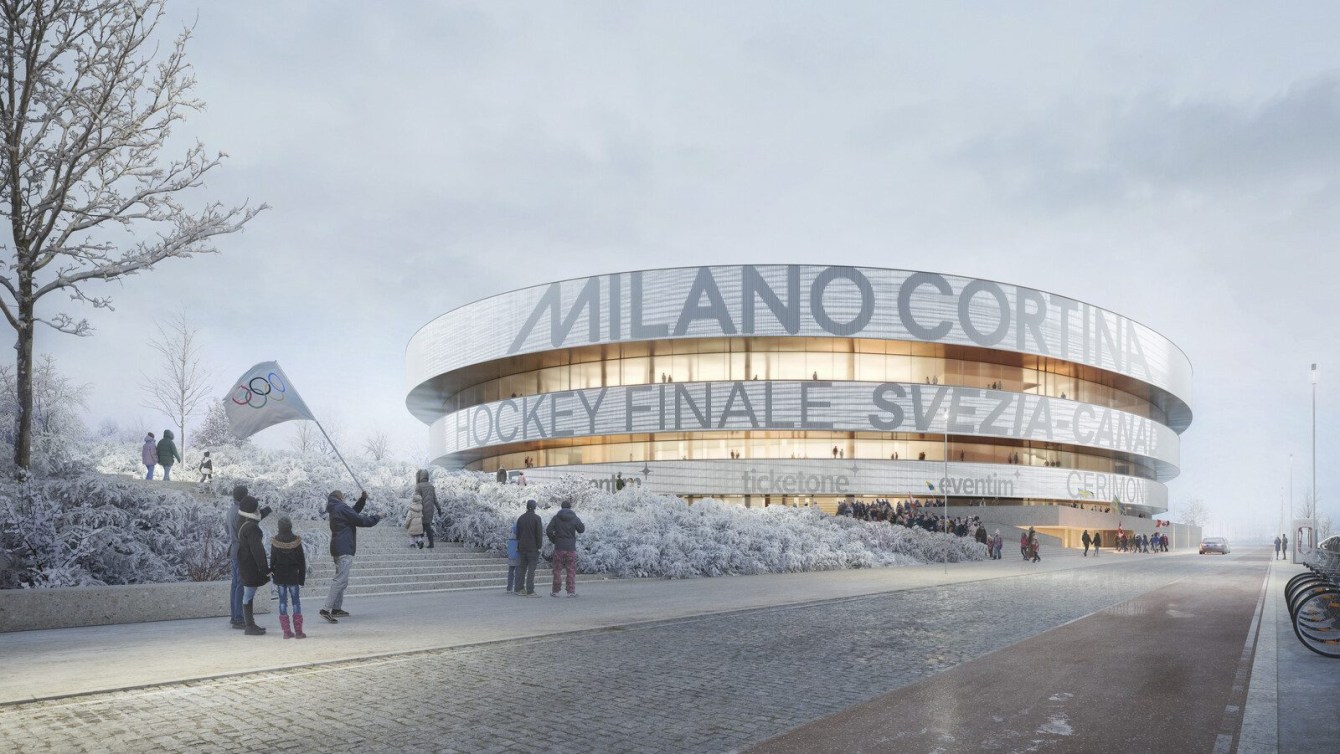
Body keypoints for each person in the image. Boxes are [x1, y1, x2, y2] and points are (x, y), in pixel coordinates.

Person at [319, 490, 381, 623]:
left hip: (337, 547)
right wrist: (378, 516)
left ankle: (336, 609)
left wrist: (362, 500)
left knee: (342, 580)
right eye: (344, 496)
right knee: (340, 580)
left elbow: (352, 513)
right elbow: (362, 520)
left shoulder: (336, 508)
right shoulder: (341, 507)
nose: (345, 499)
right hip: (344, 548)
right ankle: (325, 609)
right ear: (340, 497)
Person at [236, 495, 271, 636]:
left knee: (248, 594)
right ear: (251, 510)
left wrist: (268, 510)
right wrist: (265, 569)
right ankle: (249, 625)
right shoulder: (252, 529)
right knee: (249, 594)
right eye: (257, 507)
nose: (258, 509)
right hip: (251, 565)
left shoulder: (242, 520)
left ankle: (250, 624)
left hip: (243, 561)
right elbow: (258, 551)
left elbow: (256, 516)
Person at [269, 515, 307, 639]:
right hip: (293, 576)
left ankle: (286, 631)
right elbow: (302, 561)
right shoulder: (296, 541)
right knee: (296, 602)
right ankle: (299, 632)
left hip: (280, 577)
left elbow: (272, 561)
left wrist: (274, 575)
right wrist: (301, 578)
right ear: (290, 526)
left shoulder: (275, 542)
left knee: (282, 602)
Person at [547, 500, 586, 597]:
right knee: (571, 570)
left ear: (561, 507)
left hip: (559, 547)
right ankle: (570, 592)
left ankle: (555, 591)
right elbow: (581, 529)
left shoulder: (556, 518)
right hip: (570, 548)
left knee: (557, 569)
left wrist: (554, 540)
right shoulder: (574, 518)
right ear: (570, 507)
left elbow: (548, 530)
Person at [226, 484, 248, 630]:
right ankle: (239, 618)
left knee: (235, 584)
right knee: (240, 585)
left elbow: (226, 529)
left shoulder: (230, 510)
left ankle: (234, 616)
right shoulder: (241, 512)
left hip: (233, 550)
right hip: (241, 552)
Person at [514, 499, 543, 597]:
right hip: (533, 548)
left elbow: (517, 533)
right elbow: (539, 534)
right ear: (535, 507)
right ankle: (530, 591)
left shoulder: (521, 518)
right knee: (531, 569)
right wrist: (539, 546)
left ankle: (519, 589)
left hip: (522, 547)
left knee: (522, 568)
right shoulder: (537, 518)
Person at [415, 469, 440, 548]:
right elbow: (435, 499)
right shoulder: (431, 486)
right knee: (426, 525)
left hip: (422, 509)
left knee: (424, 525)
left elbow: (417, 499)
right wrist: (439, 509)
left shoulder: (419, 486)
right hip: (430, 509)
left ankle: (423, 542)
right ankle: (422, 541)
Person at [506, 522, 519, 593]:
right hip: (517, 555)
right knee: (517, 572)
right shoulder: (519, 538)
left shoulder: (511, 536)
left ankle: (509, 588)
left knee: (510, 571)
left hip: (511, 555)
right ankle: (516, 588)